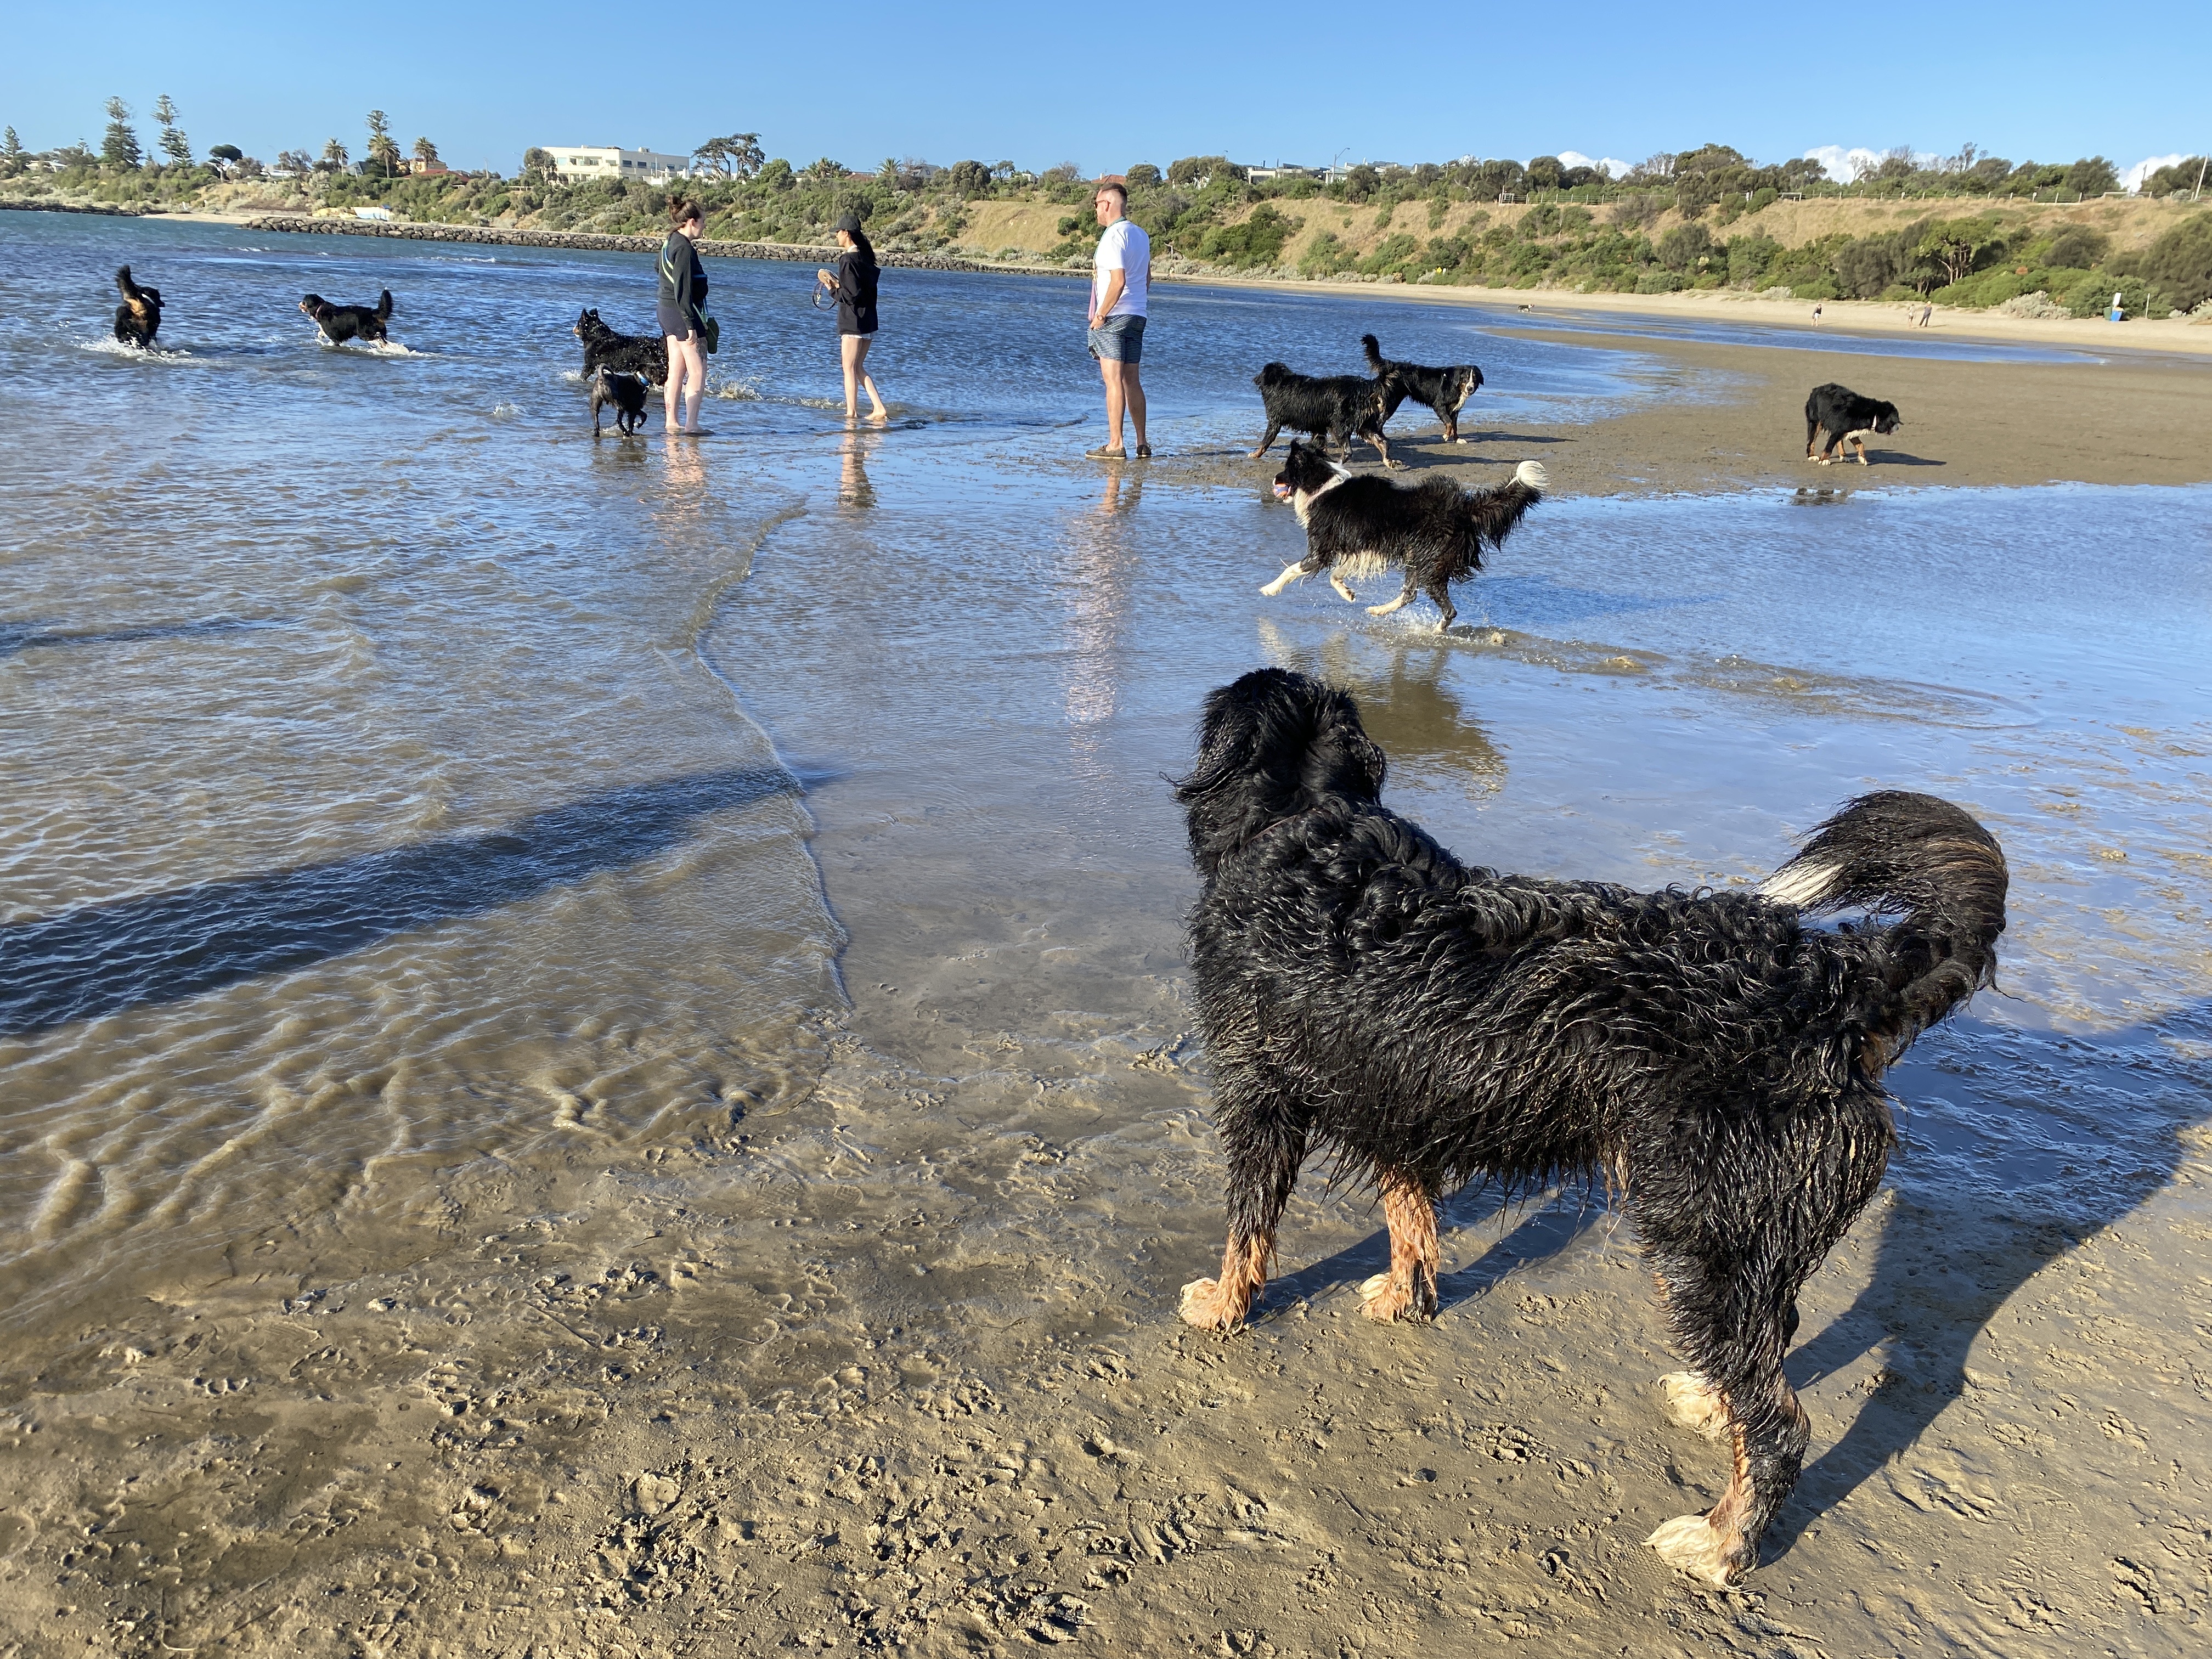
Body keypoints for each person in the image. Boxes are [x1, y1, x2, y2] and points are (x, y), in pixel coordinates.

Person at [1085, 180, 1150, 462]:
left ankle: (1115, 444)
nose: (1096, 211)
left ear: (1109, 204)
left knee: (1113, 382)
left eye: (1097, 205)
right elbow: (1147, 279)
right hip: (1138, 315)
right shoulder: (1141, 235)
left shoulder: (1112, 237)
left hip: (1115, 316)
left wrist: (1101, 315)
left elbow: (1118, 280)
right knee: (1132, 380)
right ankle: (1142, 443)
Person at [817, 213, 888, 426]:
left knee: (848, 368)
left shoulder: (847, 259)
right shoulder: (866, 258)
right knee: (858, 367)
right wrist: (840, 287)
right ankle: (879, 408)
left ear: (847, 234)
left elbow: (851, 295)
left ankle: (851, 413)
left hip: (853, 321)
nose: (836, 236)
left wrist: (832, 289)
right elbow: (859, 290)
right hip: (869, 320)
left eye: (838, 232)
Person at [658, 200, 710, 435]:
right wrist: (690, 324)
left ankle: (672, 422)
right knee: (697, 371)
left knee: (676, 370)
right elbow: (683, 290)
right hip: (681, 314)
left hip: (666, 311)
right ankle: (692, 425)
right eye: (703, 222)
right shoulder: (685, 248)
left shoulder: (670, 241)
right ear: (692, 222)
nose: (704, 227)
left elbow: (657, 270)